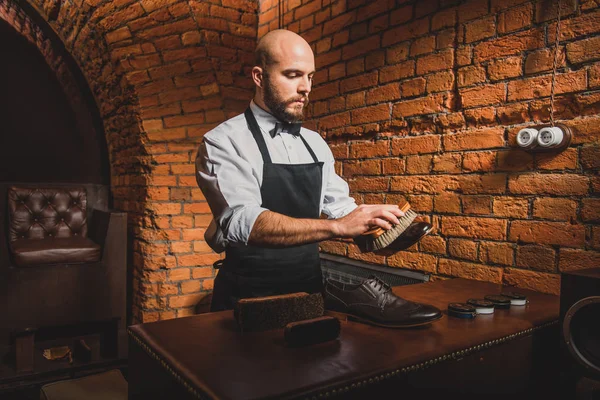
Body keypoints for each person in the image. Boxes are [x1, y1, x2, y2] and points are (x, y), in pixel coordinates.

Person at [195, 29, 404, 312]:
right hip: (246, 299)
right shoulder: (224, 141)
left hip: (309, 293)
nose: (305, 87)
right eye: (293, 75)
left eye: (310, 76)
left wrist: (379, 232)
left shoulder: (315, 143)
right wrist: (337, 228)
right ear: (259, 77)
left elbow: (342, 209)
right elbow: (244, 221)